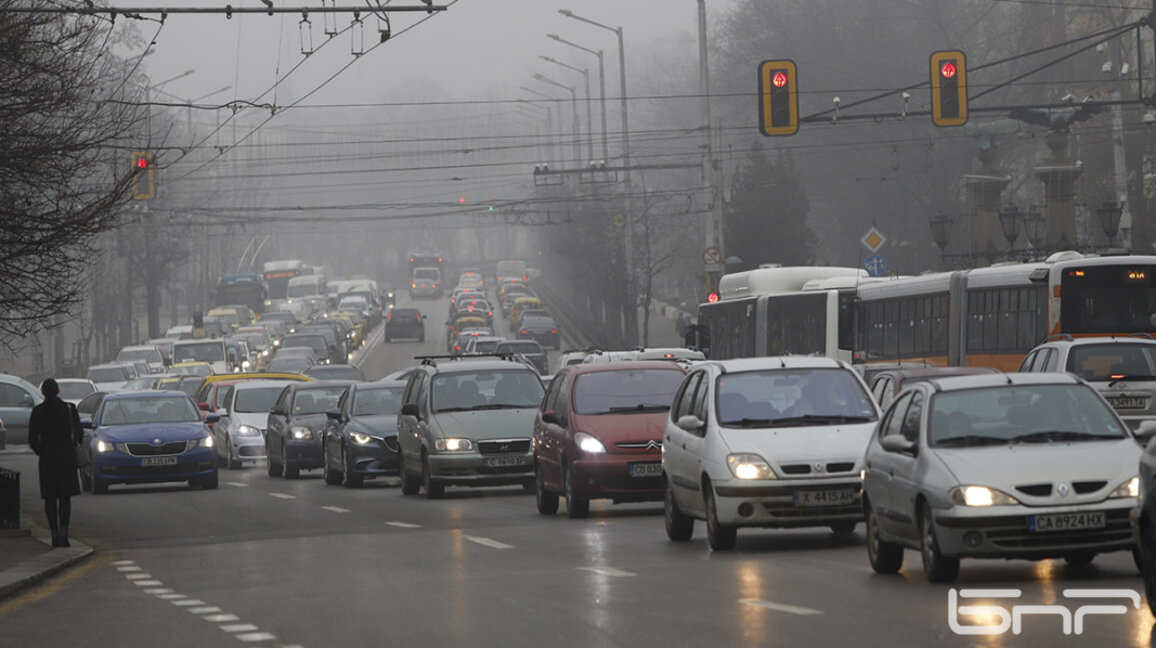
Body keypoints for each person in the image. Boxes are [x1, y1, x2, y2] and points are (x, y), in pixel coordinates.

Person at [27, 378, 82, 548]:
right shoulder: (69, 409)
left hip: (48, 459)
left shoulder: (38, 411)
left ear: (43, 392)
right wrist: (71, 447)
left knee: (50, 498)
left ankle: (54, 533)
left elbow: (32, 439)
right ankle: (64, 533)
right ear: (58, 391)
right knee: (65, 497)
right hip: (66, 458)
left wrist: (42, 451)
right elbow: (79, 434)